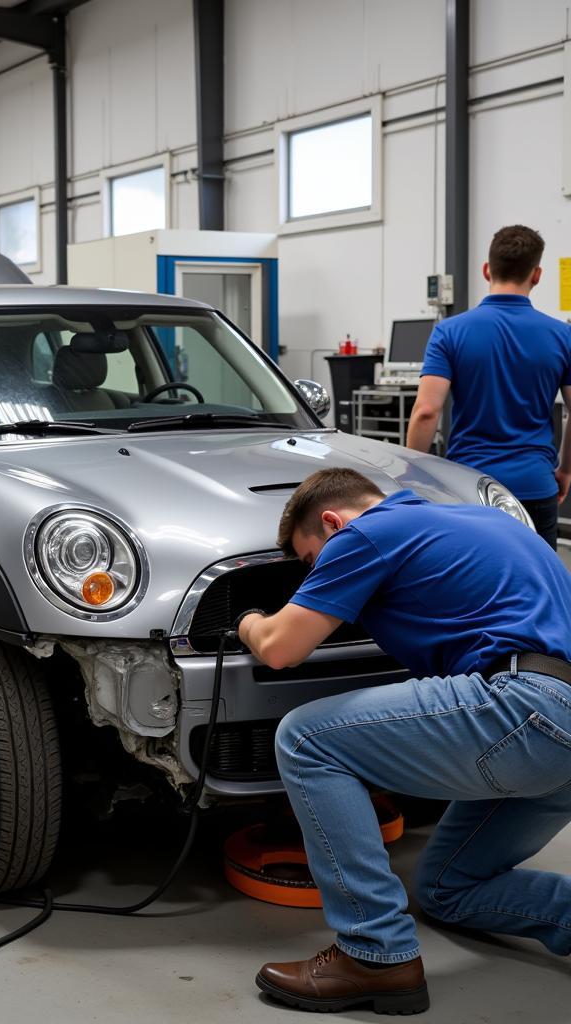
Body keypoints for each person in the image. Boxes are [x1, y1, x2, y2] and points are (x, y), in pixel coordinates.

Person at [235, 467, 571, 1015]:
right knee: (447, 887)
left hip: (523, 710)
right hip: (559, 724)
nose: (316, 574)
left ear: (331, 521)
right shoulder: (487, 520)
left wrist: (249, 620)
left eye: (310, 563)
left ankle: (375, 953)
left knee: (305, 739)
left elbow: (279, 648)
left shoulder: (364, 534)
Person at [406, 224, 571, 548]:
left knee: (473, 585)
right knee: (537, 583)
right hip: (535, 484)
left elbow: (427, 411)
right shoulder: (562, 335)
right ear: (537, 275)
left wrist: (412, 477)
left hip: (469, 484)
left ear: (486, 270)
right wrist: (564, 470)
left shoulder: (449, 332)